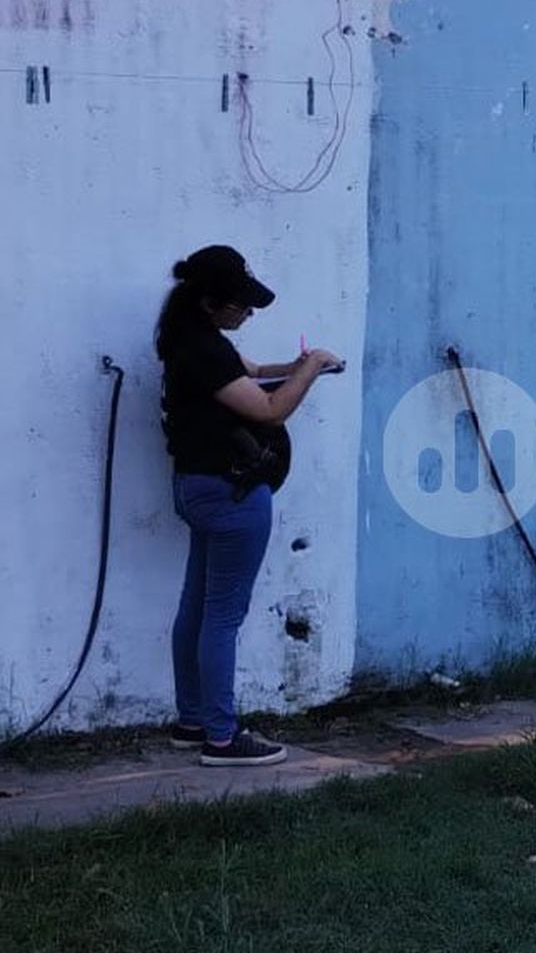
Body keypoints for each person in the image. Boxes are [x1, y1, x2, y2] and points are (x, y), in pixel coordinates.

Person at [156, 245, 341, 766]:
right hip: (232, 493)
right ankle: (221, 737)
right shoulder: (206, 350)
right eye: (241, 304)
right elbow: (269, 407)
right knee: (223, 615)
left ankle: (193, 721)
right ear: (213, 303)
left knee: (197, 605)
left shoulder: (189, 338)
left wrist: (299, 366)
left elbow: (256, 372)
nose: (249, 312)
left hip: (197, 489)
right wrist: (318, 365)